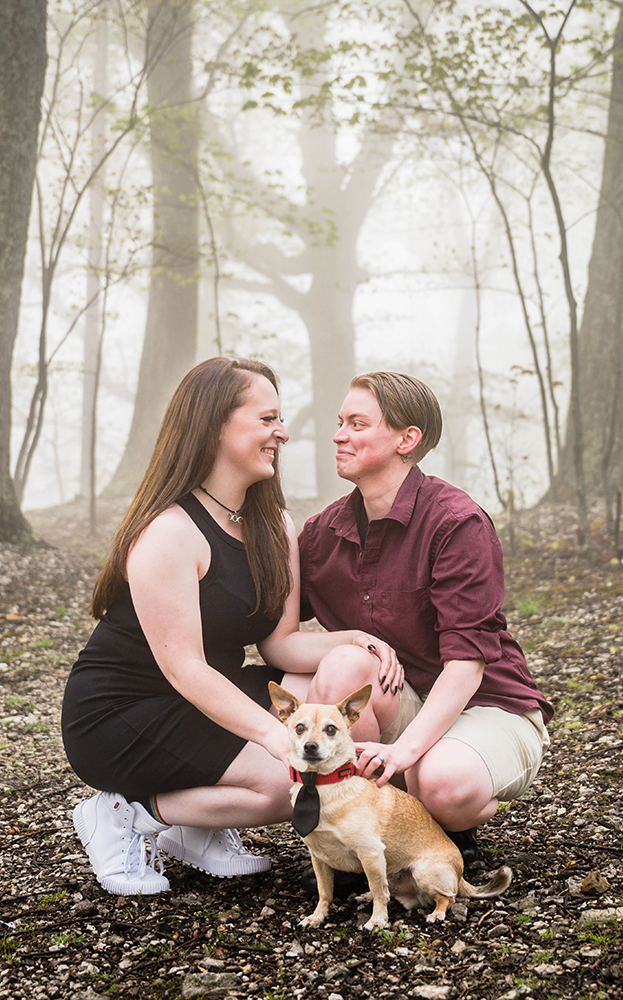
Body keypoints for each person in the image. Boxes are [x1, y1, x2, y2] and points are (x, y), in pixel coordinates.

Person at [61, 357, 396, 895]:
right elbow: (185, 668)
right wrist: (273, 735)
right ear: (216, 423)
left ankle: (197, 831)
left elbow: (279, 645)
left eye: (280, 419)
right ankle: (127, 813)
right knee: (283, 782)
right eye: (267, 419)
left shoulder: (272, 522)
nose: (281, 432)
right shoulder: (170, 532)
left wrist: (356, 642)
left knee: (326, 690)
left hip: (201, 695)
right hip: (122, 712)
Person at [299, 371, 553, 870]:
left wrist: (404, 754)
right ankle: (361, 842)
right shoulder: (322, 533)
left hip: (488, 706)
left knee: (440, 783)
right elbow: (271, 629)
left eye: (357, 423)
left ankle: (444, 828)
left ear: (406, 439)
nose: (338, 434)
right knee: (343, 664)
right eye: (339, 422)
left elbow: (466, 664)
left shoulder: (456, 522)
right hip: (407, 702)